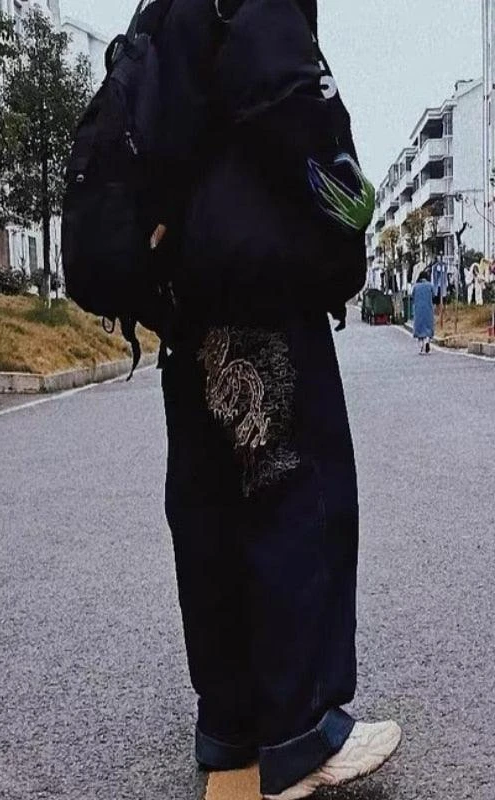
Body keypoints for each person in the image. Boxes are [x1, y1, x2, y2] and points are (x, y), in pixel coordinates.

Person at [138, 0, 402, 798]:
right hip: (261, 290)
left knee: (211, 515)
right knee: (296, 506)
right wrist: (348, 230)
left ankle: (229, 728)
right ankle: (299, 735)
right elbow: (297, 114)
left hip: (187, 303)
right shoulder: (255, 7)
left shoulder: (165, 14)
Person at [412, 272, 435, 354]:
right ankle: (427, 340)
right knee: (428, 325)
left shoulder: (415, 286)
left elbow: (413, 296)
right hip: (428, 309)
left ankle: (421, 346)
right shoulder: (430, 286)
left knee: (419, 327)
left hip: (418, 309)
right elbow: (433, 295)